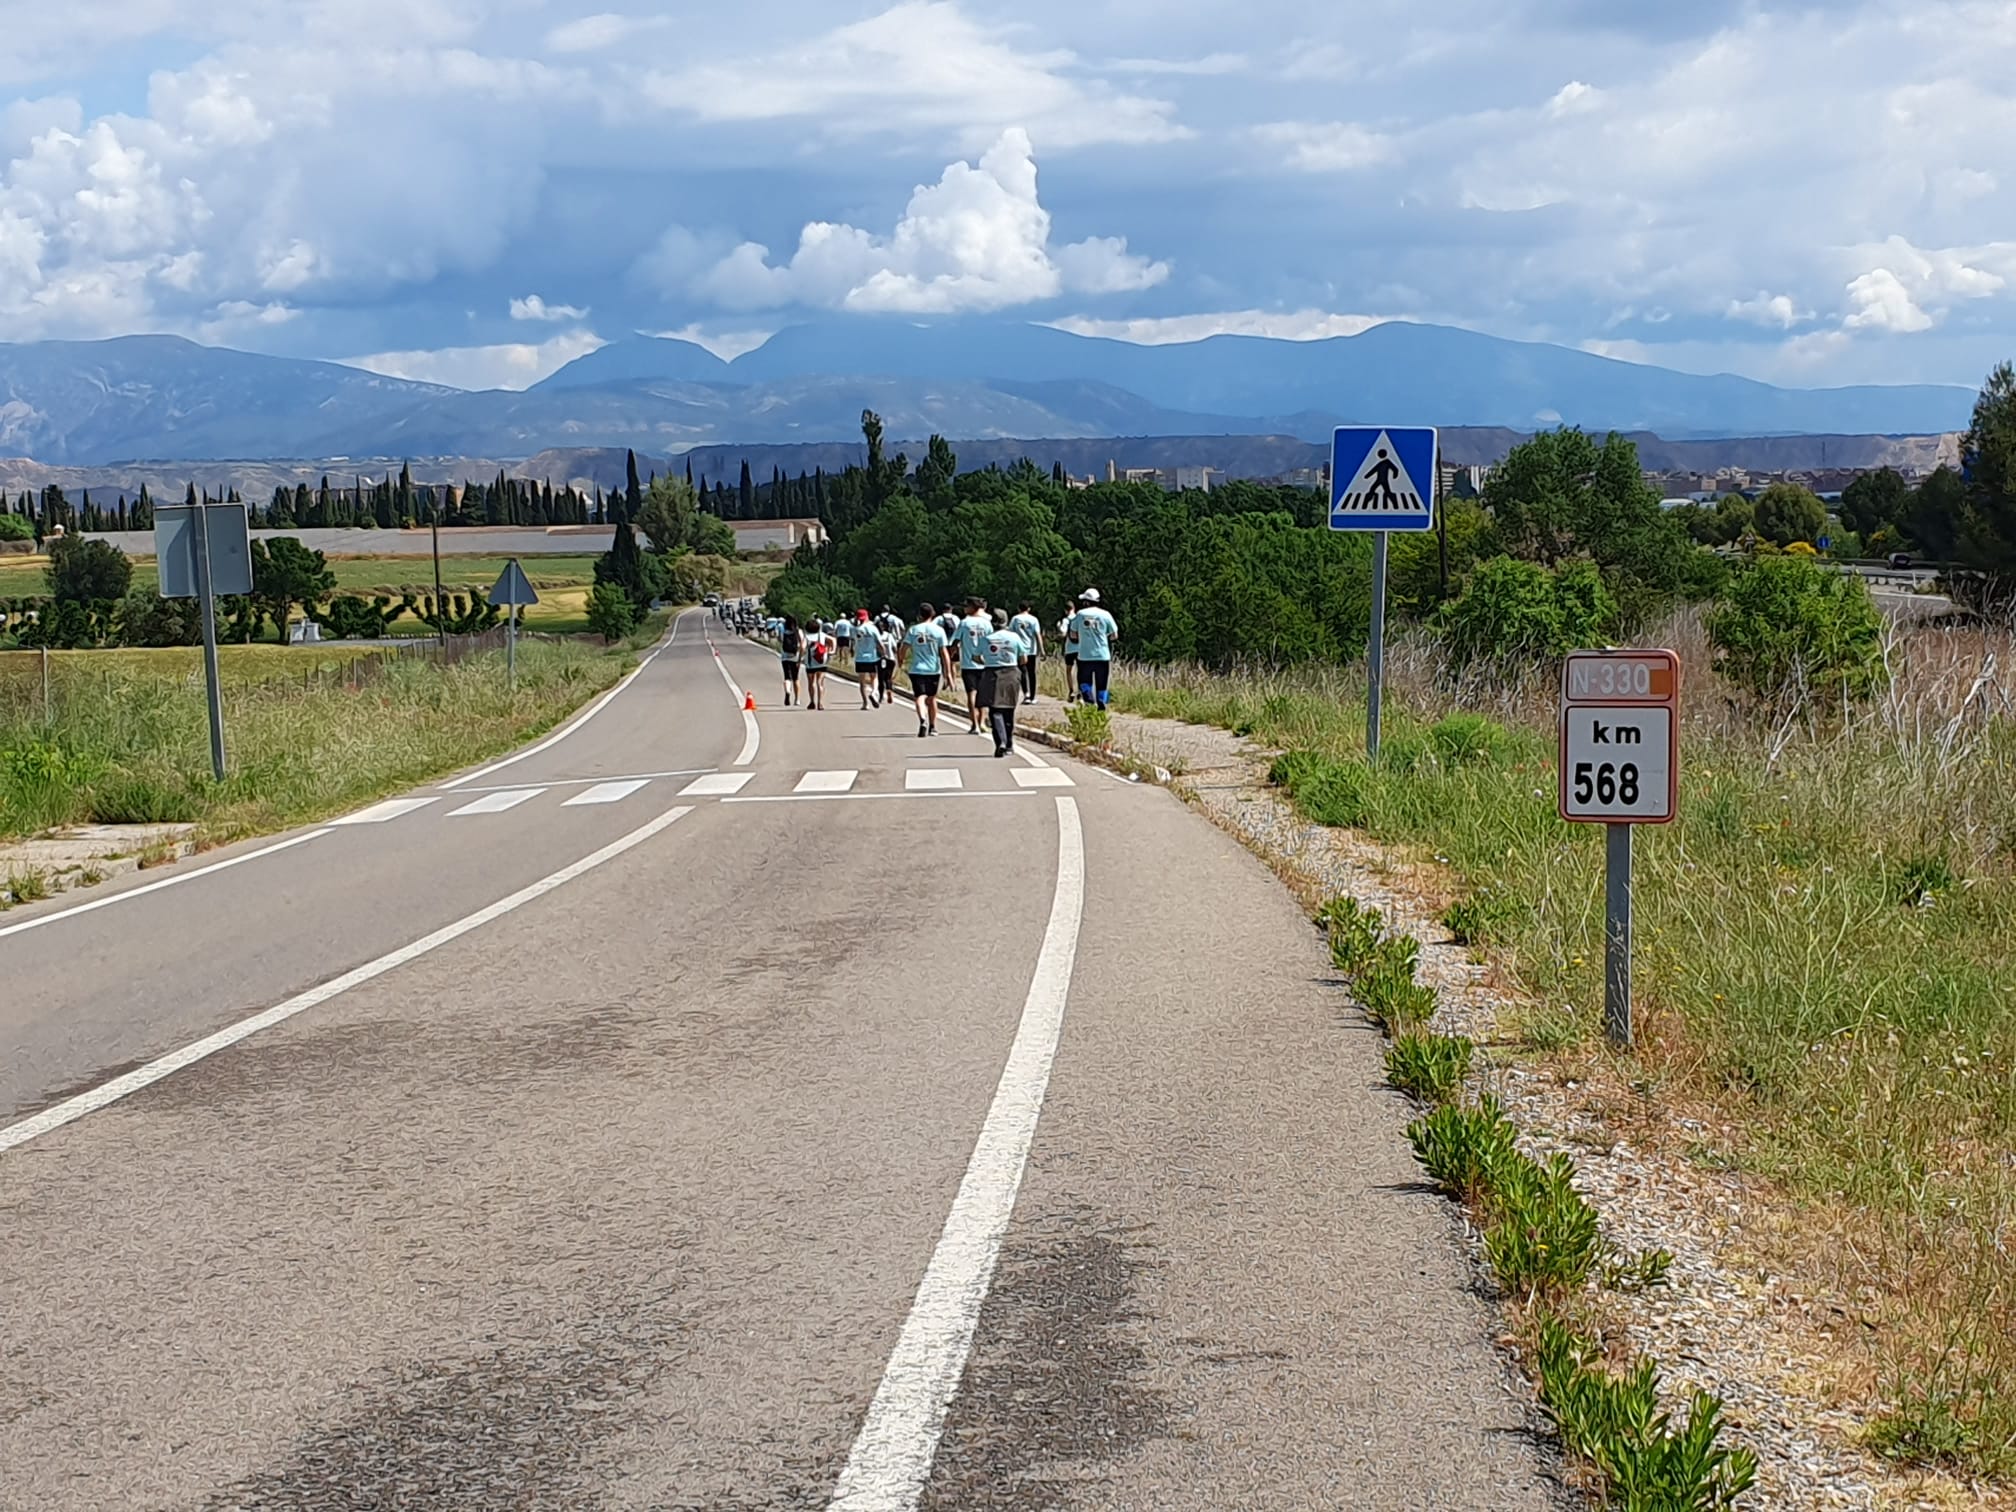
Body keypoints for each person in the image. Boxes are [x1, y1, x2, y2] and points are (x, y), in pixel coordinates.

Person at [979, 608, 1029, 756]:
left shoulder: (987, 639)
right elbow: (1024, 658)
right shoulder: (1014, 637)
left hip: (992, 673)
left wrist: (988, 660)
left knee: (995, 710)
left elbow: (976, 657)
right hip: (1011, 673)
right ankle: (1009, 744)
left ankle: (999, 741)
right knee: (1009, 709)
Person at [904, 602, 951, 737]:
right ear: (933, 614)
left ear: (919, 615)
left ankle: (922, 720)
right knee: (932, 698)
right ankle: (933, 726)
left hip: (917, 668)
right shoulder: (938, 630)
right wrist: (948, 673)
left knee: (919, 696)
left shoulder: (913, 630)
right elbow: (944, 653)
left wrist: (900, 659)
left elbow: (904, 647)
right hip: (933, 669)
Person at [1067, 588, 1120, 709]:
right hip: (1102, 655)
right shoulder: (1106, 614)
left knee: (1084, 682)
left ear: (1086, 602)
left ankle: (1089, 703)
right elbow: (1114, 635)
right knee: (1102, 683)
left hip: (1085, 655)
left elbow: (1073, 634)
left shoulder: (1080, 615)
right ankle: (1102, 704)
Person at [955, 597, 992, 735]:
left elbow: (955, 640)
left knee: (971, 693)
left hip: (968, 663)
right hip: (984, 663)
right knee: (982, 695)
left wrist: (952, 654)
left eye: (966, 606)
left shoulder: (964, 623)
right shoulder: (987, 624)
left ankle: (974, 724)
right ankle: (982, 722)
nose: (964, 609)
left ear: (972, 607)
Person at [1009, 602, 1043, 703]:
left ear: (1019, 608)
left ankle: (1026, 694)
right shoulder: (1034, 619)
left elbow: (1011, 633)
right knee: (1032, 672)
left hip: (1019, 649)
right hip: (1031, 649)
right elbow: (1037, 634)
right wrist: (1041, 649)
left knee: (1022, 672)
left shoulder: (1015, 619)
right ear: (1029, 608)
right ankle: (1033, 696)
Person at [851, 607, 882, 709]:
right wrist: (883, 653)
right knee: (874, 677)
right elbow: (880, 643)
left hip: (860, 657)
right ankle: (873, 692)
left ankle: (865, 703)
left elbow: (853, 642)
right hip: (872, 657)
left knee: (862, 682)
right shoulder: (873, 628)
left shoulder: (855, 629)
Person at [803, 618, 834, 710]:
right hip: (822, 661)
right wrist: (832, 650)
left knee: (811, 683)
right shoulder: (822, 635)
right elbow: (832, 640)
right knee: (820, 683)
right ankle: (820, 703)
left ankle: (812, 701)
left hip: (810, 663)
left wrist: (801, 656)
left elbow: (802, 647)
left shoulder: (806, 637)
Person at [777, 614, 803, 706]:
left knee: (787, 677)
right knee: (796, 678)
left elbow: (780, 640)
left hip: (785, 656)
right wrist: (800, 659)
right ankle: (797, 699)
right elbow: (802, 645)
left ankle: (788, 691)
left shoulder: (783, 630)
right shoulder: (798, 631)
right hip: (795, 657)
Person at [877, 616, 900, 704]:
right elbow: (894, 648)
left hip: (880, 659)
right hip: (890, 659)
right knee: (888, 678)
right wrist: (896, 656)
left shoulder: (877, 636)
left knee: (881, 678)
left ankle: (881, 696)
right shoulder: (889, 636)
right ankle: (889, 690)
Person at [1059, 612, 1078, 703]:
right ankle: (1080, 691)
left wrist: (1059, 627)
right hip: (1080, 648)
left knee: (1069, 670)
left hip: (1070, 649)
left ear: (1065, 610)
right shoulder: (1079, 618)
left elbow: (1063, 633)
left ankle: (1071, 690)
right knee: (1081, 670)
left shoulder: (1066, 620)